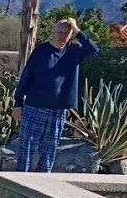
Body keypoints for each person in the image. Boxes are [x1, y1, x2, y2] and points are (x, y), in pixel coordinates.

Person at [12, 17, 99, 173]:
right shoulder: (41, 51)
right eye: (59, 31)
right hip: (34, 107)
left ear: (71, 34)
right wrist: (18, 103)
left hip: (58, 111)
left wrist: (77, 29)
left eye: (66, 32)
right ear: (54, 31)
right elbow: (26, 76)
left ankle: (42, 184)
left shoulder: (74, 52)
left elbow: (93, 50)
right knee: (27, 147)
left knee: (49, 150)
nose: (62, 35)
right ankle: (21, 182)